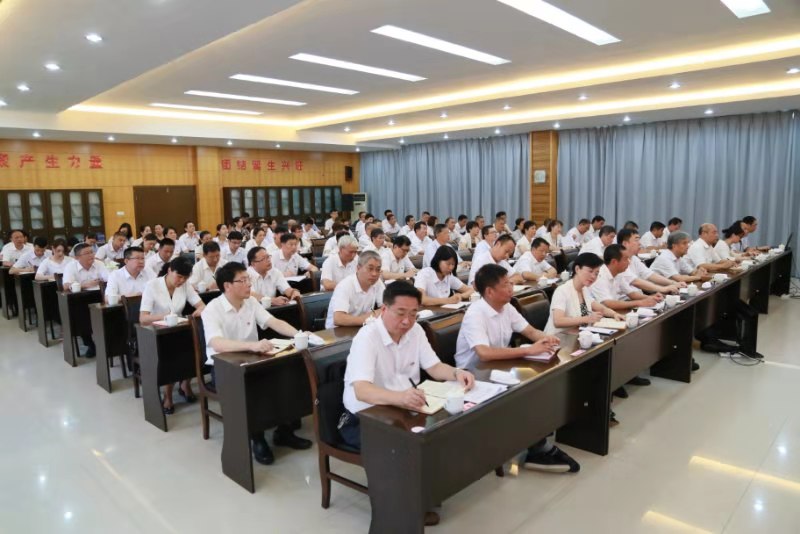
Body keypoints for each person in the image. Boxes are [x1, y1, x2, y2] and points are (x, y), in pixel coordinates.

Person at [341, 281, 475, 526]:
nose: (407, 321)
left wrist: (457, 373)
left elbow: (434, 367)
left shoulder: (416, 331)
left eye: (413, 314)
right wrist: (400, 398)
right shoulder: (367, 337)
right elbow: (362, 391)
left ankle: (425, 492)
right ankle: (403, 509)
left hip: (403, 407)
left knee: (447, 430)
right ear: (384, 309)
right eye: (400, 313)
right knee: (405, 449)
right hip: (364, 418)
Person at [454, 263, 579, 473]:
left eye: (511, 283)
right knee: (528, 390)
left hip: (498, 367)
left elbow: (530, 331)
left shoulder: (507, 307)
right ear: (489, 291)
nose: (511, 288)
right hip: (474, 375)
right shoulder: (476, 313)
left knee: (541, 382)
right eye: (506, 284)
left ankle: (536, 441)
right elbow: (484, 353)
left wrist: (546, 338)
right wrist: (528, 350)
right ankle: (536, 448)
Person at [202, 262, 306, 464]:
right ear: (227, 286)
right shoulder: (212, 309)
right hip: (224, 368)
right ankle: (257, 437)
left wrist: (299, 334)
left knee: (289, 377)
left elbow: (273, 322)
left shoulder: (250, 302)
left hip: (254, 360)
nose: (249, 284)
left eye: (248, 279)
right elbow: (216, 343)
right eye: (242, 280)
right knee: (256, 388)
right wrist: (251, 346)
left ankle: (284, 431)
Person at [140, 257, 205, 414]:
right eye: (179, 277)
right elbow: (143, 319)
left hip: (179, 330)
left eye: (185, 278)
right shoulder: (152, 285)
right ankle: (167, 394)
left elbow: (201, 305)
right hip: (157, 333)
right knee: (171, 354)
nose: (181, 281)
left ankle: (185, 384)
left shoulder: (185, 285)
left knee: (198, 348)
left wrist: (198, 312)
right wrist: (166, 316)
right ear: (169, 270)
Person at [544, 253, 624, 335]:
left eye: (596, 273)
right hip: (558, 338)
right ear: (577, 269)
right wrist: (587, 319)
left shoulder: (584, 289)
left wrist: (614, 314)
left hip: (578, 334)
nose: (593, 276)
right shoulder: (562, 291)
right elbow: (558, 321)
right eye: (590, 271)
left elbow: (601, 309)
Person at [62, 243, 110, 357]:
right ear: (77, 257)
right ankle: (89, 343)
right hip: (80, 299)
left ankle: (108, 343)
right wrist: (84, 285)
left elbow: (109, 278)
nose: (91, 255)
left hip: (99, 296)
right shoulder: (71, 266)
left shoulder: (99, 263)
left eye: (92, 252)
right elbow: (66, 285)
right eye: (87, 253)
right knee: (81, 315)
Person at [591, 245, 663, 312]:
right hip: (601, 314)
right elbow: (608, 303)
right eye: (625, 259)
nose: (629, 262)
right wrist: (639, 303)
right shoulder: (599, 276)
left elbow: (631, 294)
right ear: (614, 262)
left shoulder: (618, 273)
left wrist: (650, 298)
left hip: (614, 311)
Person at [325, 251, 385, 329]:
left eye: (378, 269)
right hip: (338, 331)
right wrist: (367, 318)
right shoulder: (344, 286)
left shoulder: (377, 283)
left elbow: (387, 308)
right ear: (358, 268)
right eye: (370, 269)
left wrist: (372, 316)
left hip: (362, 328)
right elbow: (338, 319)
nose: (374, 274)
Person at [616, 229, 682, 295]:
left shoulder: (634, 258)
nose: (640, 243)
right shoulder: (619, 261)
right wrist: (663, 289)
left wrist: (673, 283)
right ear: (625, 244)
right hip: (626, 299)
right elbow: (635, 281)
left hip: (639, 296)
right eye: (636, 240)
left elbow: (650, 274)